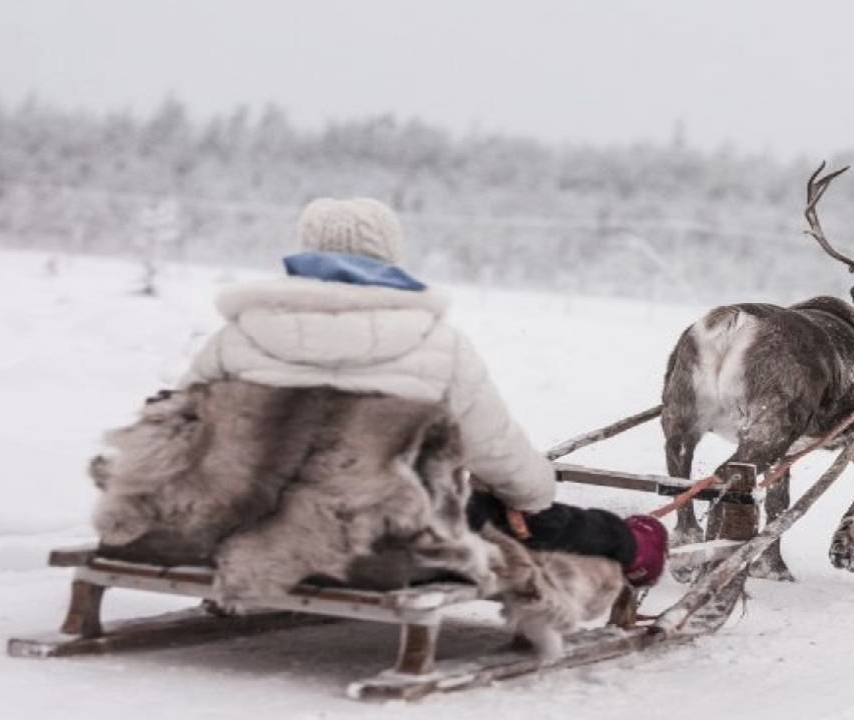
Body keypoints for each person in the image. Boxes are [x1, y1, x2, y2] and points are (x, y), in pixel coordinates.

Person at [181, 197, 666, 586]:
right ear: (390, 254)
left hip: (252, 519)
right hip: (391, 531)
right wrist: (532, 496)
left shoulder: (236, 335)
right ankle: (636, 545)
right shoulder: (434, 343)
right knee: (530, 517)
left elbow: (181, 429)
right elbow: (497, 453)